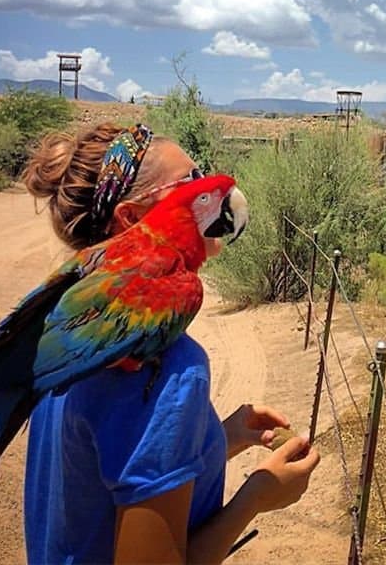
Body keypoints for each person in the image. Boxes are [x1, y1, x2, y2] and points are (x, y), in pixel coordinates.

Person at [20, 122, 320, 564]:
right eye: (192, 182)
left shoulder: (66, 328)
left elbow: (108, 475)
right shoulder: (168, 368)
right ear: (131, 218)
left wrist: (216, 440)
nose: (209, 186)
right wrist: (255, 497)